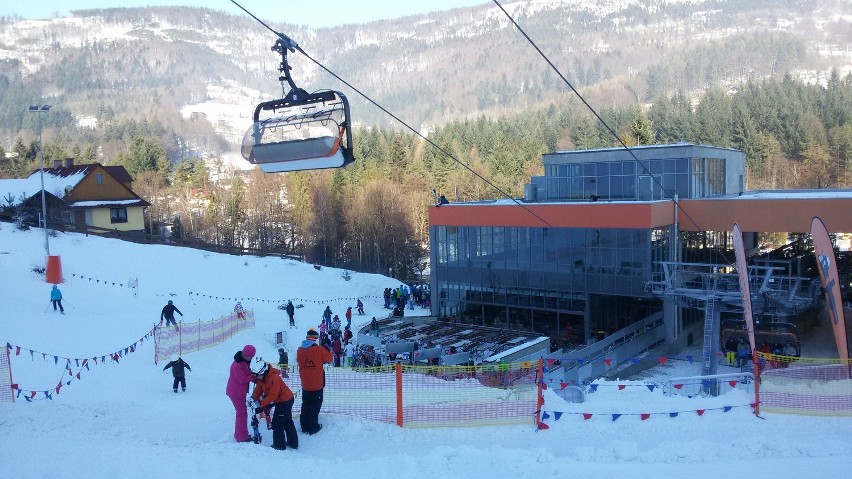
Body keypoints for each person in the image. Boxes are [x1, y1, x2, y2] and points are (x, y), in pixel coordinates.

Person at [251, 363, 298, 451]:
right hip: (281, 401)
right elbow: (259, 389)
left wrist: (260, 405)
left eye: (258, 376)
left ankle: (279, 445)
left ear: (263, 372)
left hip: (285, 401)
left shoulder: (273, 378)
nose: (257, 378)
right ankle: (293, 443)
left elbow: (273, 395)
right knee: (287, 421)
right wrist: (253, 398)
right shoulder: (263, 379)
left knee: (277, 423)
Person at [296, 328, 332, 435]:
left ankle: (304, 426)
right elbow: (329, 359)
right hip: (317, 383)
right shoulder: (319, 350)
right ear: (315, 339)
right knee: (315, 405)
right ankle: (313, 426)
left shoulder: (299, 350)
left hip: (305, 383)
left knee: (306, 403)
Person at [226, 344, 256, 443]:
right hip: (235, 392)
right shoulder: (237, 365)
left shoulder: (244, 361)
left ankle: (241, 434)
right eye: (250, 356)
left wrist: (254, 376)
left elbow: (247, 373)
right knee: (242, 413)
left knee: (242, 413)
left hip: (240, 392)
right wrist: (252, 377)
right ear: (245, 354)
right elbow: (242, 379)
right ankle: (241, 437)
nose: (251, 358)